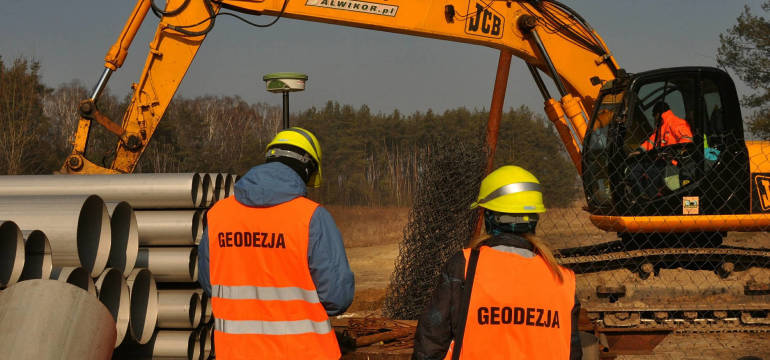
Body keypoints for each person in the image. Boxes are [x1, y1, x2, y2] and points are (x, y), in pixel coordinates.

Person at [198, 127, 355, 360]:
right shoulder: (312, 218)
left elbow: (210, 284)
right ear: (307, 168)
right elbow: (337, 297)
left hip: (234, 353)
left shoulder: (218, 215)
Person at [412, 165, 582, 360]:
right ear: (534, 218)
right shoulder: (562, 279)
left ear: (489, 216)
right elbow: (572, 352)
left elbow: (431, 343)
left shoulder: (465, 266)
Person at [628, 102, 694, 199]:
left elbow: (687, 141)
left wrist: (674, 153)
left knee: (651, 171)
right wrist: (639, 150)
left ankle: (650, 198)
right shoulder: (661, 127)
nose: (654, 120)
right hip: (662, 161)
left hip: (673, 163)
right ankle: (643, 196)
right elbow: (651, 141)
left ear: (658, 114)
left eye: (654, 116)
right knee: (635, 168)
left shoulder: (675, 122)